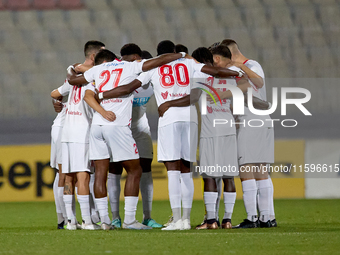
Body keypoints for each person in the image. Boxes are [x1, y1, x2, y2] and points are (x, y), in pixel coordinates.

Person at [93, 40, 243, 230]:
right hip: (190, 117)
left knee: (173, 171)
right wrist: (235, 73)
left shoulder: (155, 66)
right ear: (174, 51)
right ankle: (186, 220)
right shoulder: (189, 63)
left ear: (159, 54)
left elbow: (128, 88)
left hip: (169, 118)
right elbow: (213, 71)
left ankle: (177, 219)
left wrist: (103, 95)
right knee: (186, 170)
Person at [68, 47, 186, 230]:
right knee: (135, 170)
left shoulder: (98, 70)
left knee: (100, 172)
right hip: (117, 125)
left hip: (97, 126)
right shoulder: (129, 67)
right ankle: (130, 220)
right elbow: (158, 61)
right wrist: (181, 55)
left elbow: (77, 84)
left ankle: (106, 221)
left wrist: (72, 69)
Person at [51, 40, 113, 231]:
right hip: (82, 132)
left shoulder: (72, 79)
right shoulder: (93, 78)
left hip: (67, 132)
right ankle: (86, 220)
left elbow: (55, 93)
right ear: (95, 57)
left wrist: (60, 103)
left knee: (68, 176)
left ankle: (70, 220)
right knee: (83, 176)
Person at [218, 39, 275, 228]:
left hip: (251, 121)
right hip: (262, 120)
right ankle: (267, 218)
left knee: (246, 170)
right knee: (261, 171)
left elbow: (256, 84)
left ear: (230, 55)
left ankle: (252, 218)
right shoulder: (250, 66)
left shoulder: (247, 66)